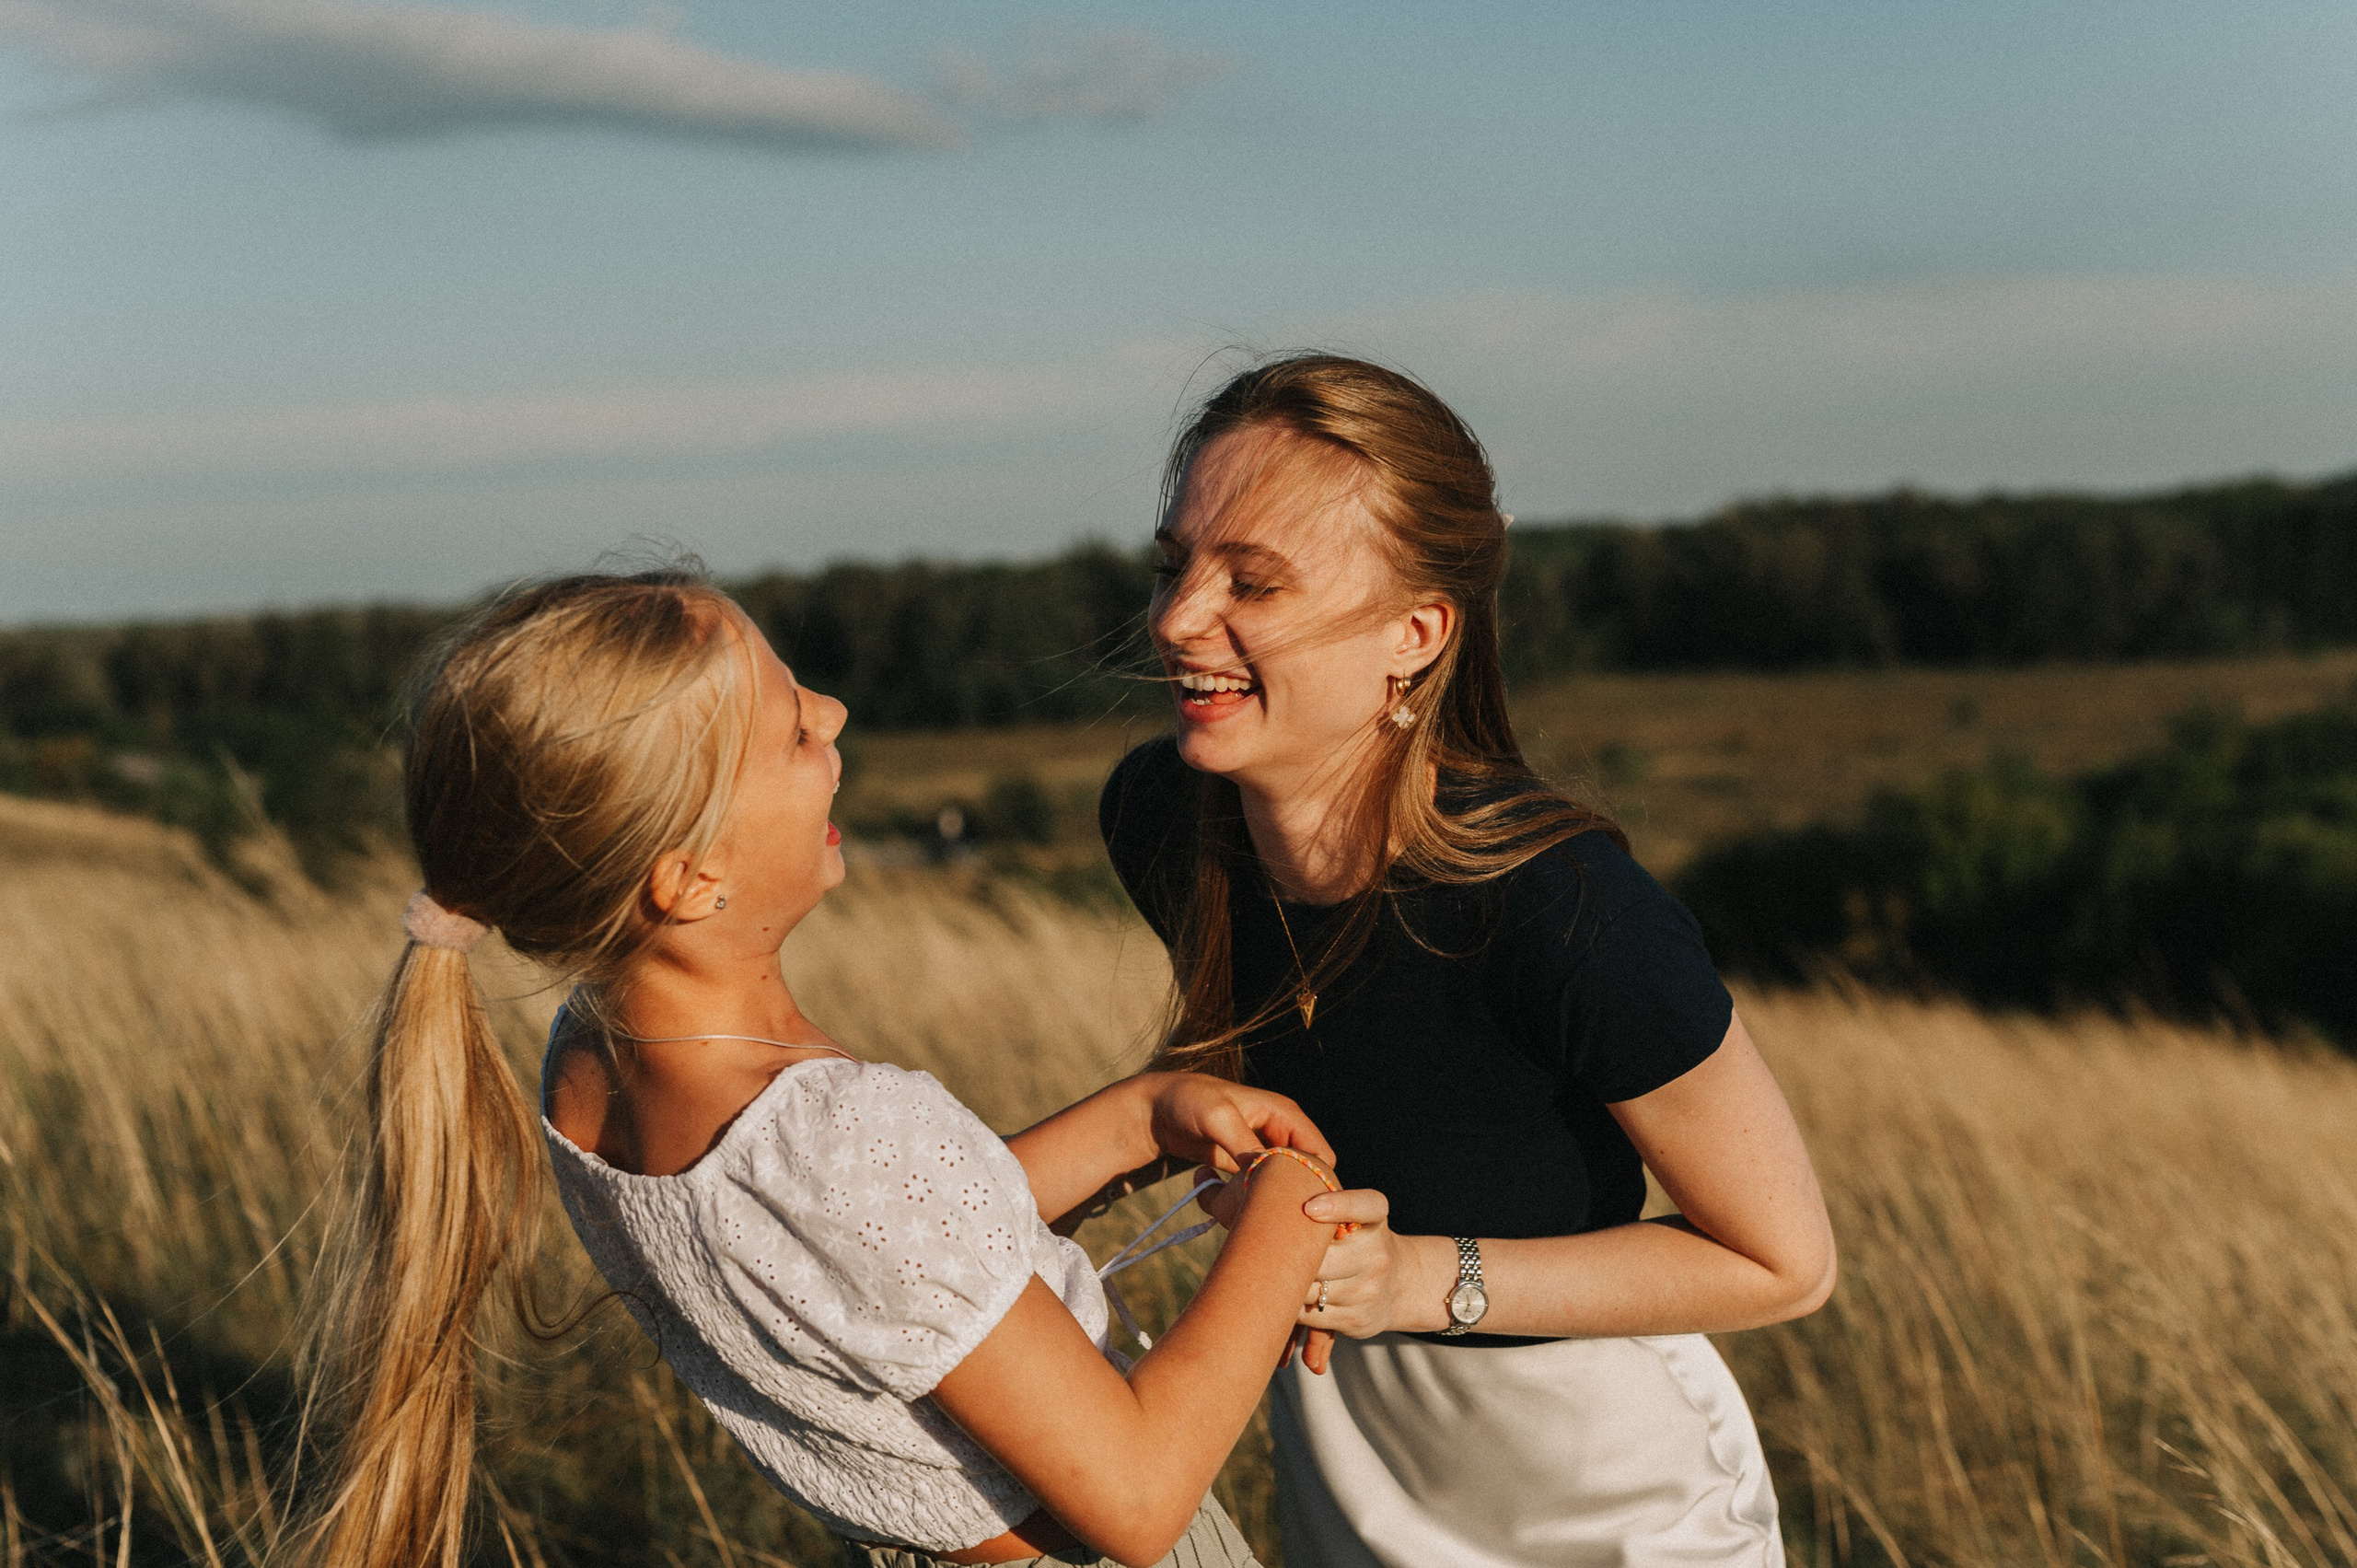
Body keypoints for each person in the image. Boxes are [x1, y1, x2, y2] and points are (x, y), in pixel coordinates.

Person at [305, 570, 1349, 1568]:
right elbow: (1140, 1492)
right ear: (691, 877)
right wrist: (1289, 1211)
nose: (835, 713)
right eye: (794, 731)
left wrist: (1137, 1119)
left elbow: (889, 1253)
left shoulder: (591, 1062)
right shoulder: (831, 1130)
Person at [1097, 356, 1837, 1567]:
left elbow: (1784, 1263)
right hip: (1349, 1474)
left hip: (1604, 1505)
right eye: (1172, 563)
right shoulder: (1162, 822)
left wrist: (1416, 1280)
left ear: (1416, 632)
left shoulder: (1568, 913)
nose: (1176, 619)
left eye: (1253, 581)